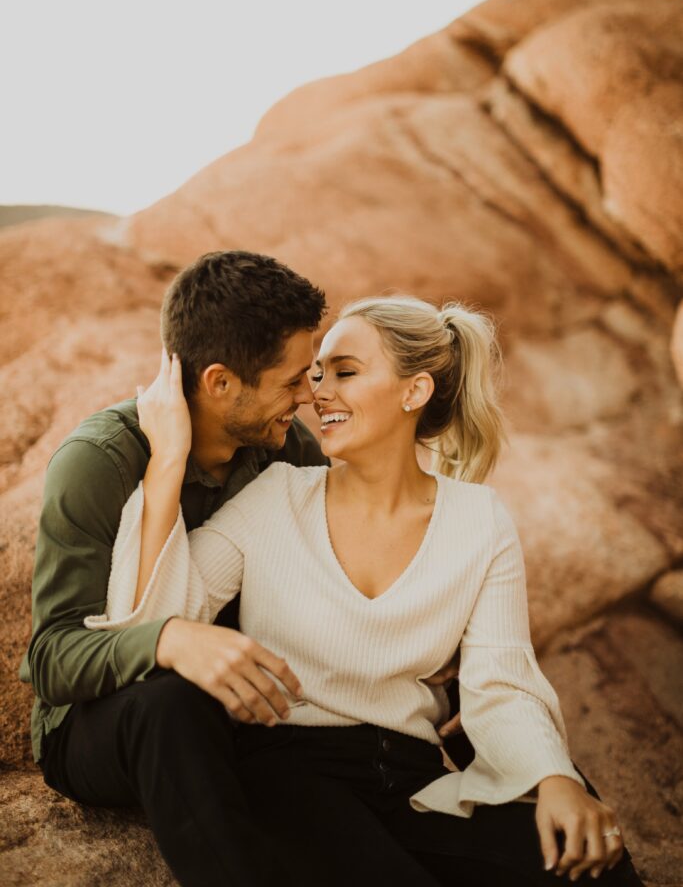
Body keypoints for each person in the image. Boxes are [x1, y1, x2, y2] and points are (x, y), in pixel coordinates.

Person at [92, 293, 646, 887]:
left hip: (414, 782)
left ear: (415, 391)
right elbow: (154, 618)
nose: (317, 393)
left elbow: (501, 680)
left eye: (345, 373)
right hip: (289, 778)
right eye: (316, 374)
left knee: (593, 864)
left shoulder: (479, 519)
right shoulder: (275, 498)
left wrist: (554, 781)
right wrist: (168, 459)